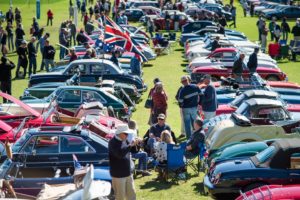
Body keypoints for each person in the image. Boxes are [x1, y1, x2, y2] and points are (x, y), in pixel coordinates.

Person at [108, 124, 136, 200]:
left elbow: (129, 151)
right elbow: (119, 155)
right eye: (126, 134)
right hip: (118, 175)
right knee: (120, 197)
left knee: (132, 195)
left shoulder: (125, 140)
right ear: (120, 133)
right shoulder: (112, 142)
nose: (127, 135)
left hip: (128, 173)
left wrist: (135, 144)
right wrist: (130, 145)